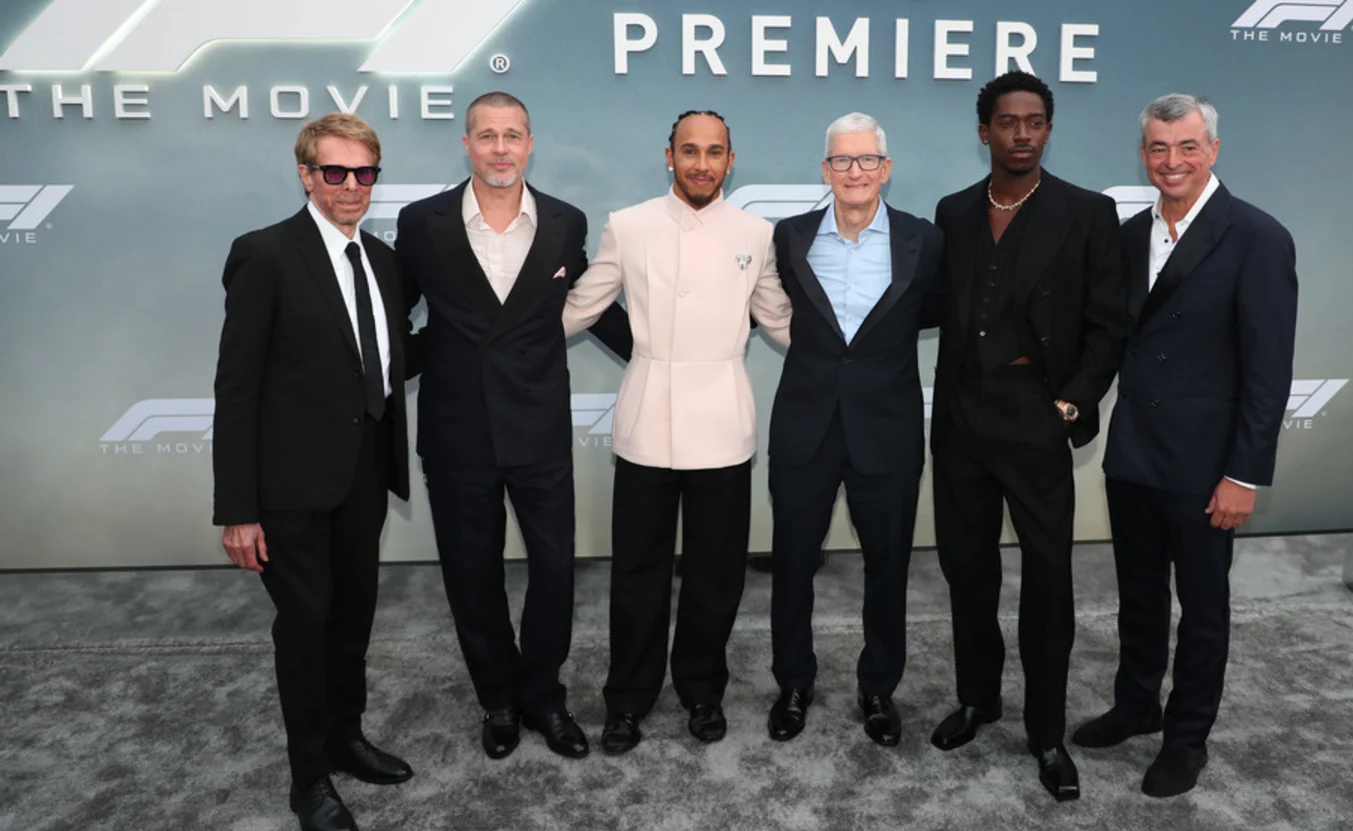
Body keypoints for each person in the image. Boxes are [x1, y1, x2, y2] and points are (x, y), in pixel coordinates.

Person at [393, 92, 631, 762]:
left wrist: (663, 351)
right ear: (466, 144)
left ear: (531, 144)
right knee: (473, 573)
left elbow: (594, 305)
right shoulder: (421, 222)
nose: (501, 148)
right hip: (456, 427)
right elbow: (392, 316)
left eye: (513, 135)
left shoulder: (563, 221)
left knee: (555, 569)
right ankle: (497, 697)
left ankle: (543, 696)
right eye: (487, 135)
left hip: (539, 427)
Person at [1074, 93, 1297, 798]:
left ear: (1214, 150)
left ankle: (1187, 736)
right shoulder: (1128, 233)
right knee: (1139, 595)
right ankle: (1137, 704)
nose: (1173, 161)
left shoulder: (1256, 236)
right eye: (1159, 149)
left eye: (1188, 147)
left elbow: (1268, 373)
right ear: (1143, 155)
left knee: (1202, 609)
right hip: (1135, 452)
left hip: (1207, 467)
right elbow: (1112, 339)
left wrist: (1245, 474)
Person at [562, 109, 792, 754]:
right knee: (638, 571)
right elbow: (581, 306)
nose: (701, 163)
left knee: (716, 574)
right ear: (669, 156)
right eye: (689, 151)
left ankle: (702, 691)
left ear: (730, 159)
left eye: (713, 152)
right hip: (646, 422)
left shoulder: (757, 232)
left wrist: (853, 356)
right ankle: (627, 700)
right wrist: (503, 345)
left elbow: (778, 319)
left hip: (723, 421)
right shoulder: (628, 226)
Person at [213, 112, 413, 831]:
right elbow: (236, 388)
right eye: (336, 172)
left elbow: (380, 360)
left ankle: (346, 739)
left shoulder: (385, 261)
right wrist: (238, 508)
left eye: (365, 173)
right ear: (307, 174)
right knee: (305, 630)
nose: (352, 186)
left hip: (363, 478)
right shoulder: (264, 255)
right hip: (289, 489)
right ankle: (308, 777)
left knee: (353, 619)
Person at [927, 71, 1125, 802]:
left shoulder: (1087, 212)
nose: (1020, 134)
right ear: (985, 132)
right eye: (1006, 122)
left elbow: (1109, 327)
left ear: (1048, 130)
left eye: (1034, 121)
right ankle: (979, 699)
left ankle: (1046, 730)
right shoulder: (951, 213)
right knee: (966, 571)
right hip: (962, 419)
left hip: (1036, 415)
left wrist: (1071, 403)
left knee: (1047, 582)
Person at [765, 112, 943, 747]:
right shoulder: (788, 237)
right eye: (842, 161)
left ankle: (877, 688)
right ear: (825, 170)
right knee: (791, 565)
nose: (855, 172)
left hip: (888, 431)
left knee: (887, 567)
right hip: (803, 428)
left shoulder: (925, 241)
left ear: (886, 169)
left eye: (867, 160)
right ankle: (793, 683)